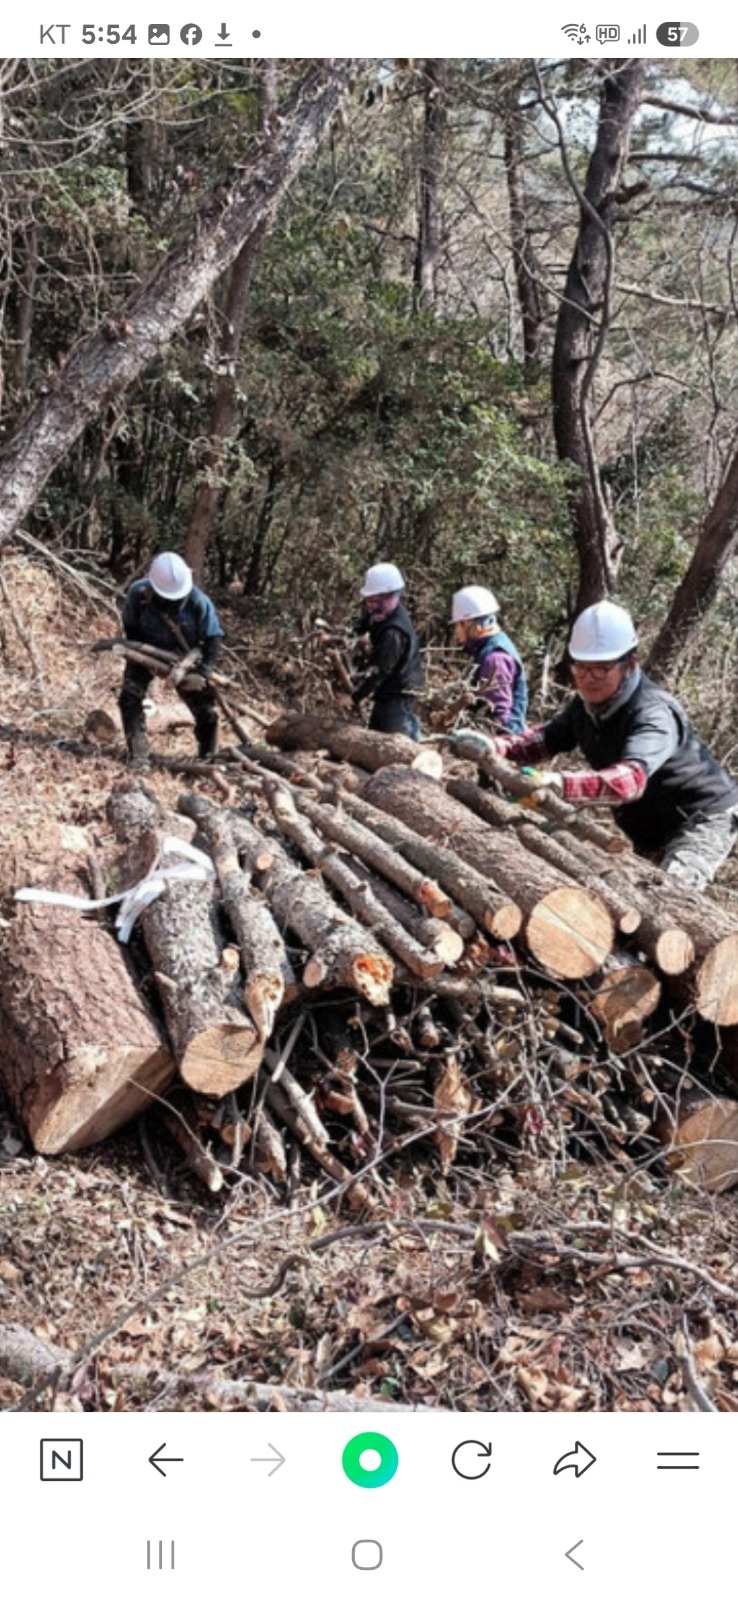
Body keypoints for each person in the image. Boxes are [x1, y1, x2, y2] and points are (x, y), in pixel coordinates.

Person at [493, 599, 738, 891]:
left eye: (600, 669)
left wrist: (558, 784)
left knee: (669, 896)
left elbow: (629, 781)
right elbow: (544, 740)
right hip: (649, 824)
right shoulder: (585, 706)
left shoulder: (653, 713)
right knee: (638, 900)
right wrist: (495, 747)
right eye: (581, 668)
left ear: (629, 663)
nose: (588, 679)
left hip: (701, 818)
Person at [118, 551, 224, 767]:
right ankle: (138, 755)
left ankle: (208, 758)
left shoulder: (198, 602)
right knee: (129, 699)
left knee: (206, 711)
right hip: (147, 652)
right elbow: (130, 627)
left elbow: (213, 638)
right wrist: (142, 658)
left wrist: (202, 673)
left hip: (186, 660)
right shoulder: (138, 594)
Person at [351, 562, 424, 740]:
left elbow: (380, 672)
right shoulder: (380, 611)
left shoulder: (394, 633)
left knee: (399, 744)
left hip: (400, 695)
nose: (371, 606)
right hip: (385, 693)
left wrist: (355, 696)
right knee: (374, 740)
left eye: (376, 602)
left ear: (392, 596)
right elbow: (363, 624)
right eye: (369, 600)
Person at [451, 584, 528, 733]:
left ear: (470, 624)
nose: (456, 631)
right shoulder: (489, 648)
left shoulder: (494, 659)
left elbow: (499, 718)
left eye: (457, 625)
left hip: (503, 741)